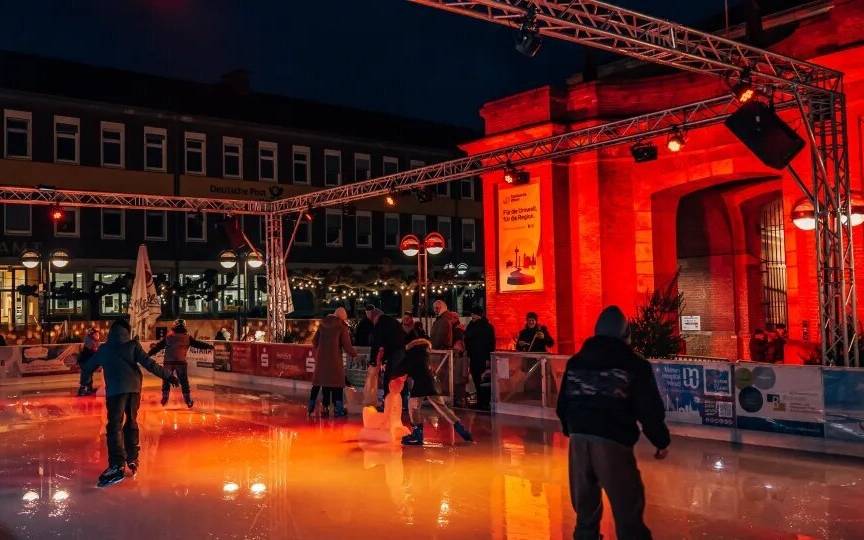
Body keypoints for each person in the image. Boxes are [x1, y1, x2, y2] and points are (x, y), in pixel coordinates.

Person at [556, 306, 670, 540]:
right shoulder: (633, 364)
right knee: (628, 509)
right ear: (625, 333)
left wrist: (572, 430)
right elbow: (648, 407)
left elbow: (563, 403)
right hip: (612, 442)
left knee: (585, 513)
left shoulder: (577, 362)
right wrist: (660, 440)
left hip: (578, 441)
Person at [80, 318, 178, 487]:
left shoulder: (104, 349)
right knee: (131, 422)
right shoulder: (133, 345)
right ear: (127, 331)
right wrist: (168, 375)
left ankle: (117, 463)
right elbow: (149, 364)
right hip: (133, 389)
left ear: (111, 332)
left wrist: (84, 383)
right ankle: (132, 457)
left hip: (116, 392)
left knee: (114, 426)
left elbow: (87, 367)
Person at [391, 329, 473, 446]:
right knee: (442, 407)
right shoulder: (424, 350)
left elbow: (404, 367)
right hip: (432, 382)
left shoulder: (412, 352)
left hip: (421, 384)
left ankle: (417, 435)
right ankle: (461, 429)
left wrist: (392, 374)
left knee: (413, 407)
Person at [147, 319, 214, 408]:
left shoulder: (168, 337)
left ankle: (164, 398)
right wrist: (209, 346)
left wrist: (148, 355)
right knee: (184, 381)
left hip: (168, 362)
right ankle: (188, 401)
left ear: (174, 326)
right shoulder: (187, 337)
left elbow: (157, 347)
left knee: (166, 379)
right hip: (181, 362)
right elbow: (198, 344)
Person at [308, 307, 357, 417]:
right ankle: (338, 409)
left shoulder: (322, 324)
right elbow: (347, 345)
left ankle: (324, 409)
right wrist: (354, 354)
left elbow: (314, 342)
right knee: (337, 384)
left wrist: (322, 350)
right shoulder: (342, 326)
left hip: (322, 360)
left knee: (325, 383)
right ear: (342, 317)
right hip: (335, 360)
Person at [369, 308, 407, 407]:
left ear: (375, 317)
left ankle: (387, 402)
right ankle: (403, 402)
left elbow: (377, 343)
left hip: (395, 353)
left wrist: (373, 360)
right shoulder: (393, 321)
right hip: (402, 351)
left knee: (389, 377)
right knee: (400, 378)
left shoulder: (380, 323)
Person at [464, 307, 496, 410]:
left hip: (481, 357)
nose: (472, 316)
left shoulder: (486, 327)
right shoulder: (472, 325)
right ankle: (481, 400)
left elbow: (490, 343)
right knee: (476, 379)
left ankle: (485, 401)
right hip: (474, 356)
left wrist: (488, 358)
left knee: (482, 379)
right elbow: (467, 338)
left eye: (474, 314)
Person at [77, 327, 101, 396]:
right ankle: (82, 389)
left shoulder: (94, 341)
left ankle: (89, 388)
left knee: (89, 373)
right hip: (85, 361)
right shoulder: (89, 341)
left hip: (87, 361)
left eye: (98, 334)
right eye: (95, 334)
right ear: (91, 335)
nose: (97, 335)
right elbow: (93, 351)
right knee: (86, 373)